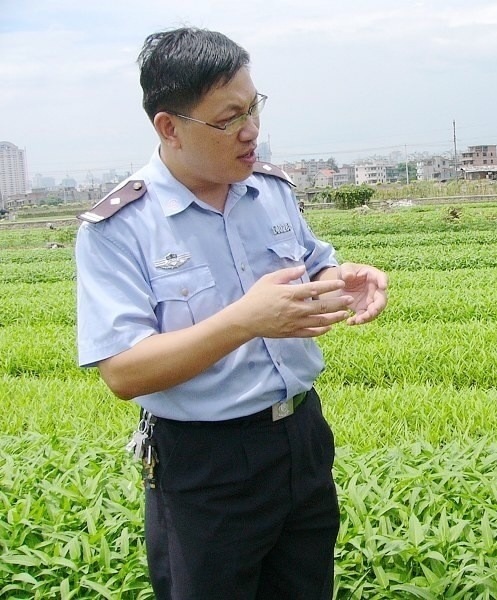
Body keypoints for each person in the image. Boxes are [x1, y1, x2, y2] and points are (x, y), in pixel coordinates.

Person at [75, 27, 388, 600]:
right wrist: (244, 320)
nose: (251, 132)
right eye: (228, 119)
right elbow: (123, 371)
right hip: (206, 462)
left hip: (301, 437)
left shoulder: (269, 191)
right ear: (169, 127)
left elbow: (314, 263)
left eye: (254, 108)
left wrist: (338, 280)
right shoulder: (121, 228)